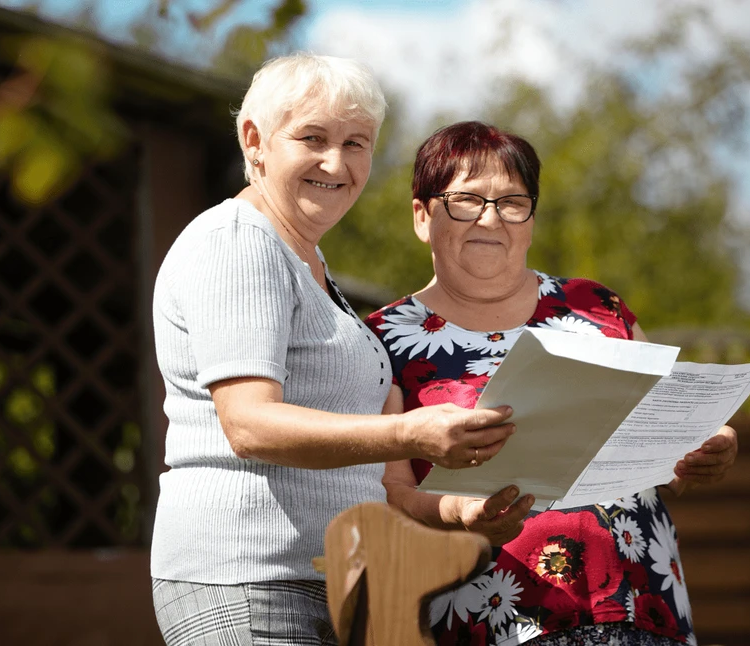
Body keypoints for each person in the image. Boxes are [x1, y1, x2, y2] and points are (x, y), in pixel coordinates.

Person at [150, 58, 521, 646]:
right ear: (255, 140)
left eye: (356, 143)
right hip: (251, 580)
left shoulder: (307, 262)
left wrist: (455, 510)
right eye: (313, 138)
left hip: (329, 582)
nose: (337, 163)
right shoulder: (239, 244)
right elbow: (249, 424)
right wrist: (410, 435)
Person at [365, 121, 738, 645]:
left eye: (512, 202)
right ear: (422, 216)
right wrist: (461, 514)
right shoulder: (380, 339)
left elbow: (667, 432)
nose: (490, 218)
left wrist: (705, 441)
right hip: (495, 616)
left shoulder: (597, 307)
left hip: (643, 605)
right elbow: (391, 493)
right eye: (466, 200)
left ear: (531, 218)